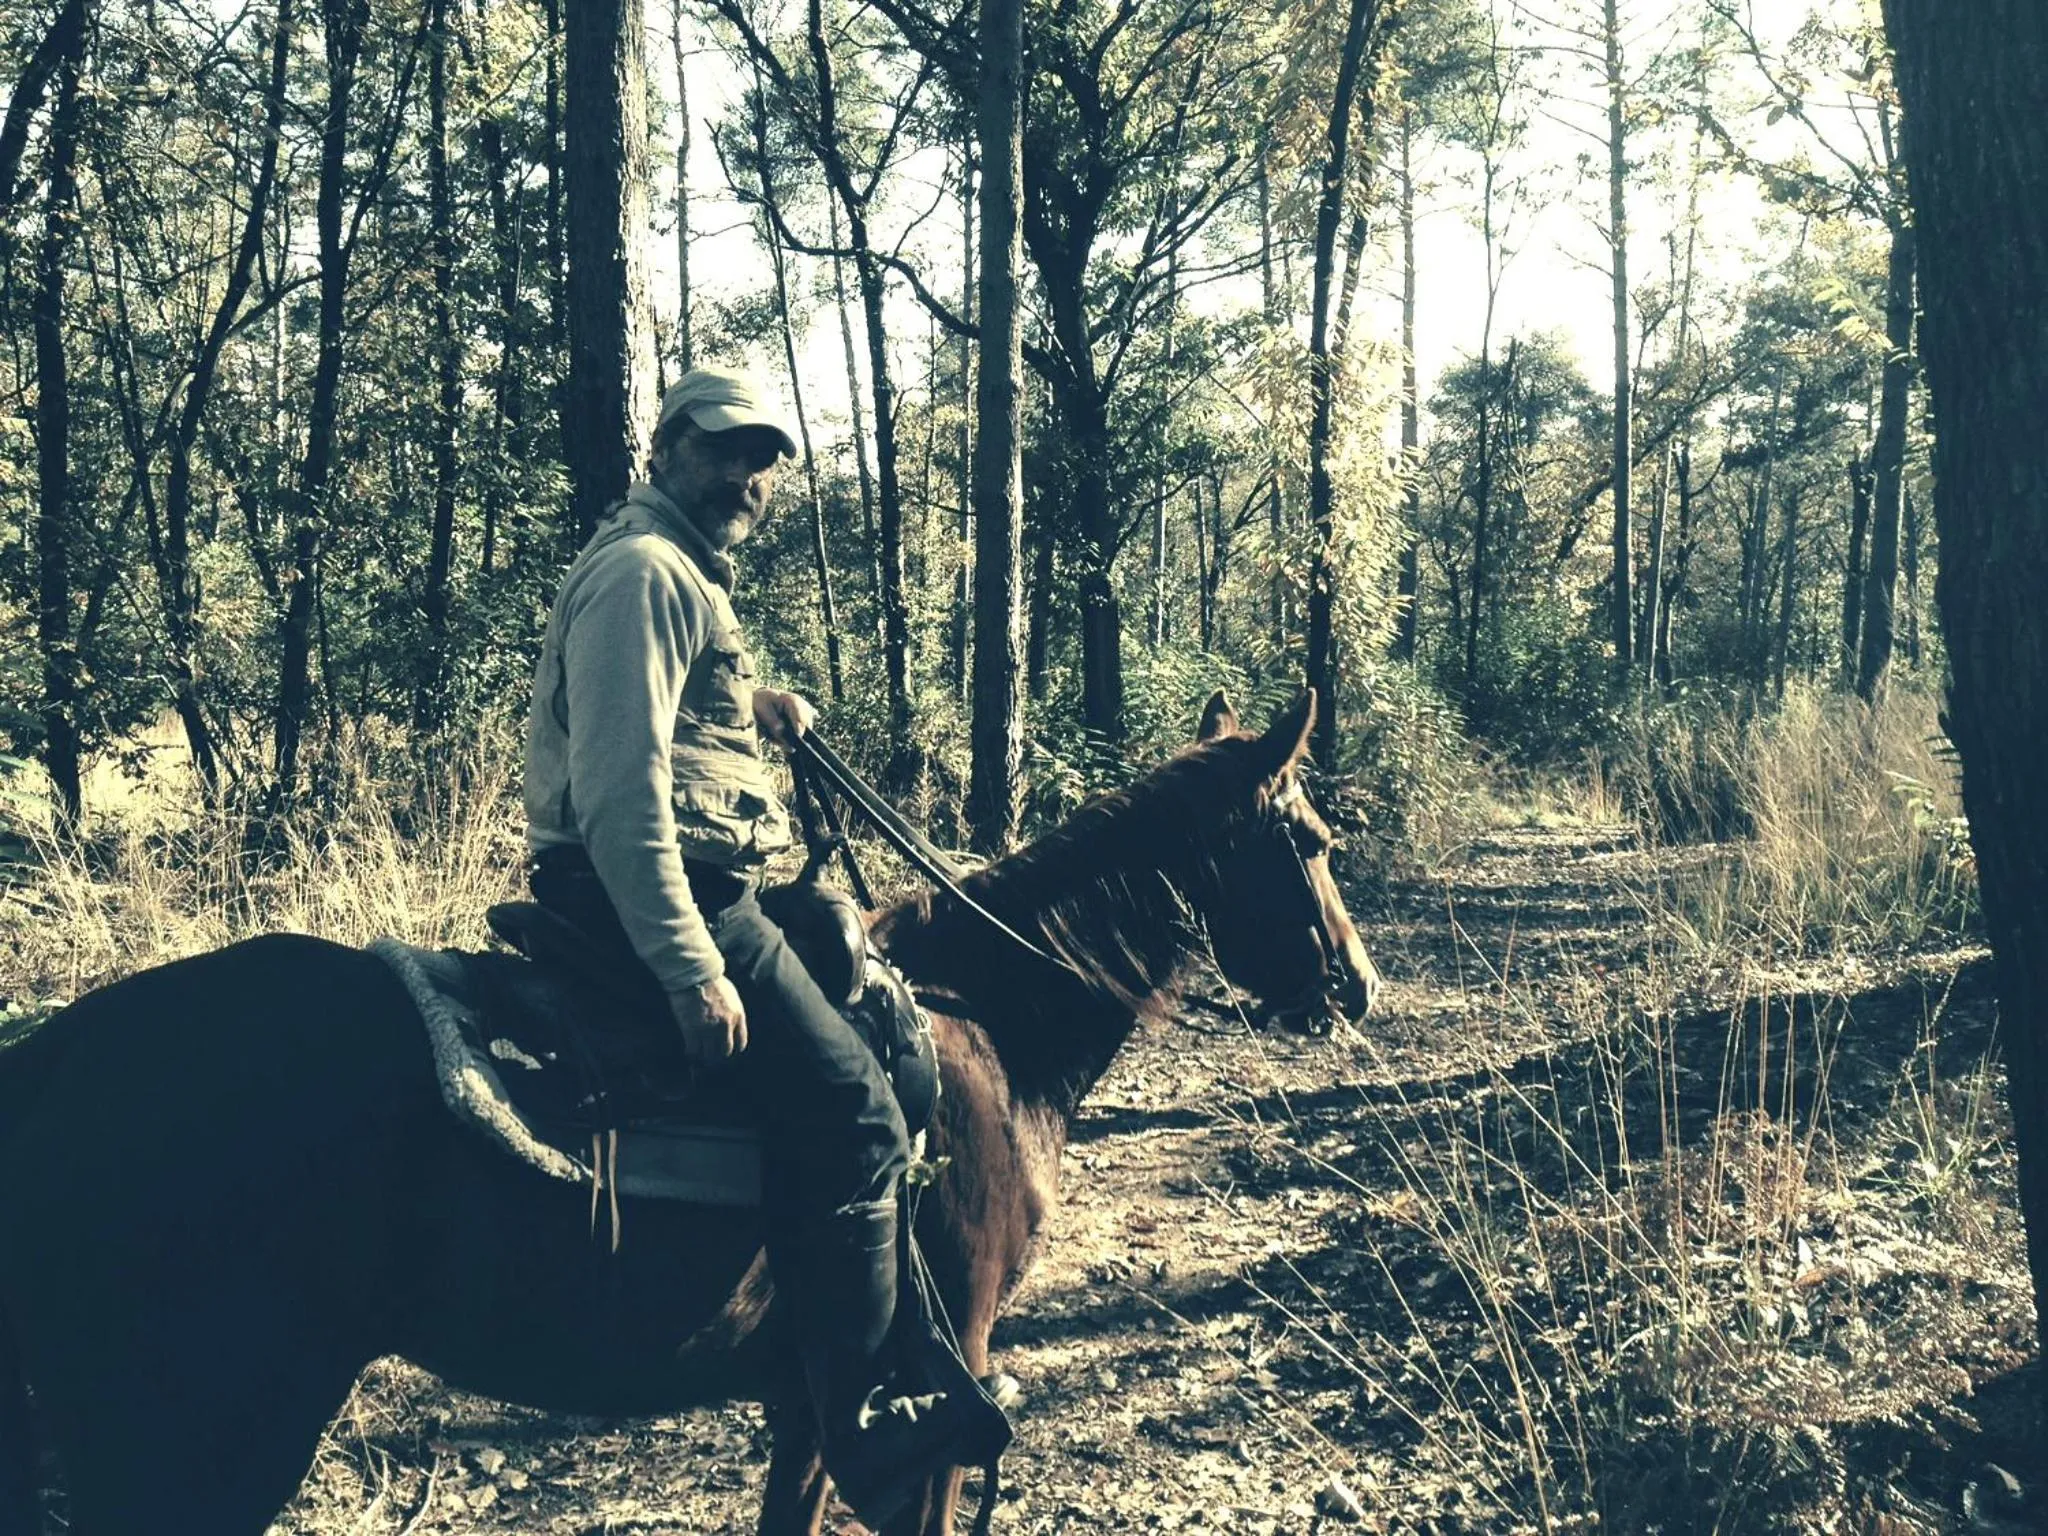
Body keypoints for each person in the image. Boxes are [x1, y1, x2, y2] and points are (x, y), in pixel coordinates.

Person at [521, 365, 965, 1521]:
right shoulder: (644, 575)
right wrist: (689, 962)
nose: (746, 476)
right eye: (722, 450)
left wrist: (752, 701)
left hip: (681, 881)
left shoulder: (670, 571)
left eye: (761, 458)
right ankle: (867, 1421)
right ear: (664, 448)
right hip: (667, 897)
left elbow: (667, 715)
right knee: (862, 1112)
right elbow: (621, 794)